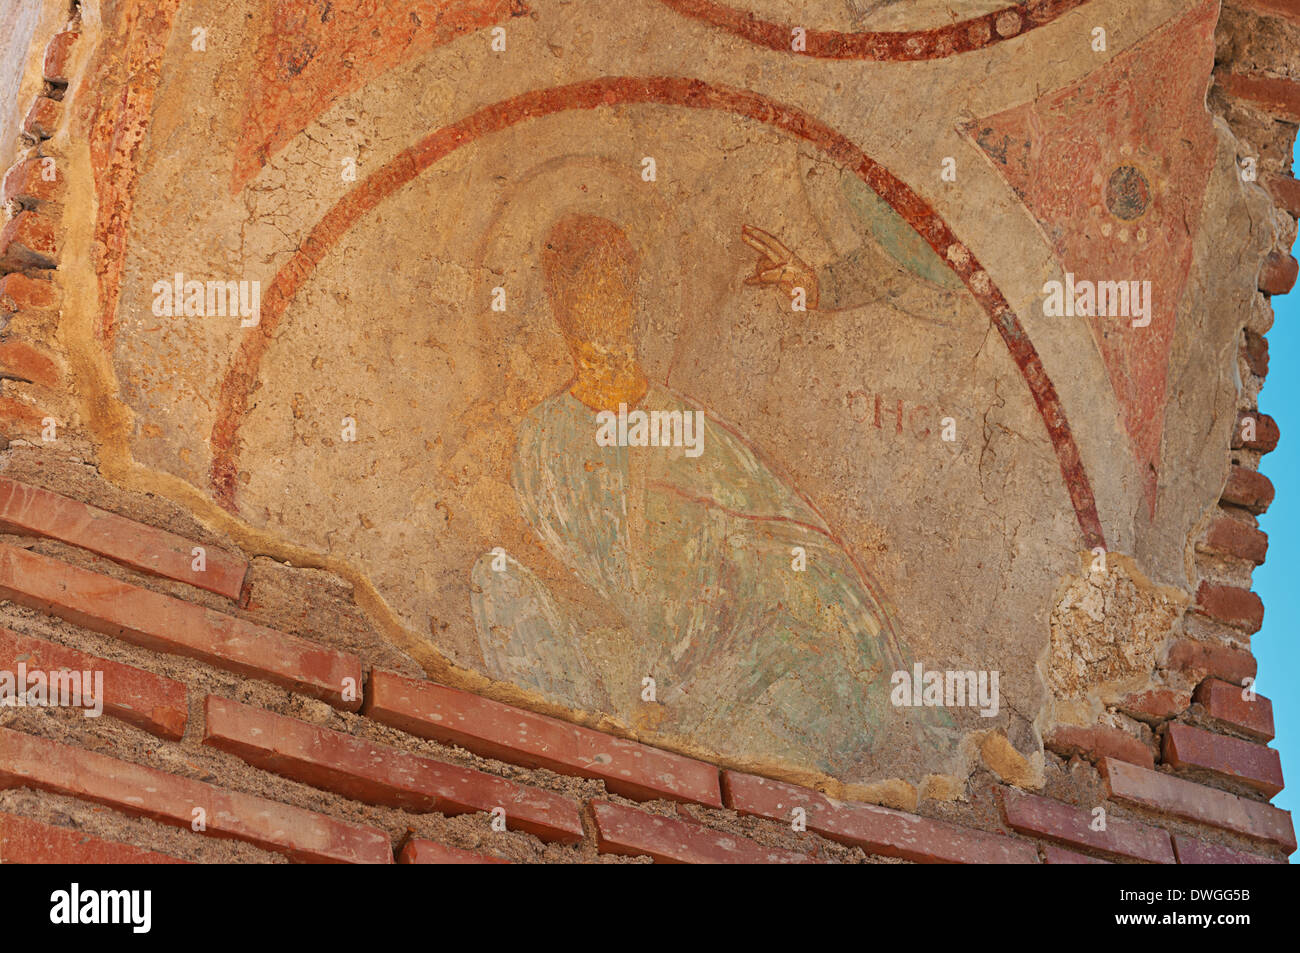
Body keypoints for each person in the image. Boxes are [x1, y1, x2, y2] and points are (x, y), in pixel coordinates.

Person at [472, 214, 952, 774]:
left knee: (823, 662)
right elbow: (550, 562)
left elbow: (786, 538)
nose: (603, 292)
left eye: (615, 274)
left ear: (635, 289)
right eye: (583, 277)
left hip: (720, 655)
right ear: (559, 301)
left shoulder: (687, 426)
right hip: (615, 654)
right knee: (494, 578)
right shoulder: (542, 435)